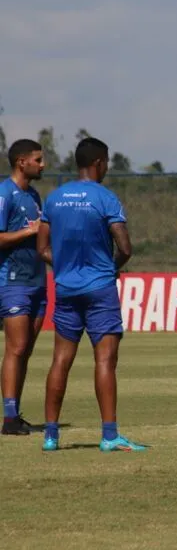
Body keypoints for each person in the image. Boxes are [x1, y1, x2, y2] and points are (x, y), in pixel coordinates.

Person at [37, 137, 145, 452]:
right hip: (100, 289)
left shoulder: (55, 199)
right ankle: (110, 435)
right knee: (105, 360)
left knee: (60, 360)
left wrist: (66, 265)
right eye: (107, 162)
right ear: (98, 162)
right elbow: (125, 248)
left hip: (67, 288)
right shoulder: (107, 198)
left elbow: (42, 247)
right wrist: (110, 268)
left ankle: (51, 435)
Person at [0, 139, 47, 435]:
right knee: (15, 348)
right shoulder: (5, 194)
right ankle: (8, 419)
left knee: (26, 349)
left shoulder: (35, 195)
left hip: (38, 282)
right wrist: (28, 231)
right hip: (13, 281)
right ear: (21, 162)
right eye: (38, 160)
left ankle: (15, 413)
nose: (42, 165)